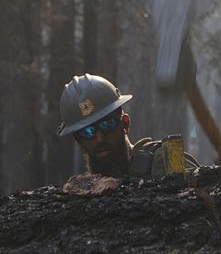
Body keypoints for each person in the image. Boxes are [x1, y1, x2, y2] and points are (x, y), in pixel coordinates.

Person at [58, 73, 198, 178]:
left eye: (107, 125)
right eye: (88, 132)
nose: (99, 139)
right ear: (78, 140)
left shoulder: (164, 160)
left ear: (125, 123)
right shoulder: (85, 191)